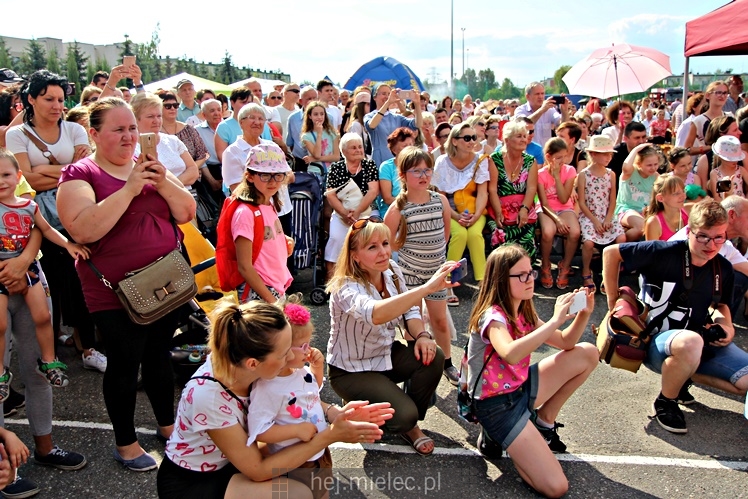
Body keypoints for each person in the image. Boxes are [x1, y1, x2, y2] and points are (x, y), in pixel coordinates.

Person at [57, 97, 196, 471]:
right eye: (118, 129)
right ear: (94, 133)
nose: (128, 136)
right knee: (124, 362)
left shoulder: (148, 167)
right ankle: (126, 442)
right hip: (114, 293)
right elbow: (84, 227)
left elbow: (185, 212)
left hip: (165, 283)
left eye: (131, 128)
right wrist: (130, 189)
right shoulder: (79, 175)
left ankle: (168, 427)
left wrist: (160, 181)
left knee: (159, 356)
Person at [157, 298, 392, 498]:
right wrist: (329, 436)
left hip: (232, 461)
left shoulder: (240, 361)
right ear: (253, 364)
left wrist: (334, 413)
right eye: (283, 353)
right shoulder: (209, 397)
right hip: (194, 482)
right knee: (296, 493)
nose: (291, 356)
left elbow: (290, 399)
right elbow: (257, 470)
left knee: (304, 475)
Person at [602, 199, 748, 434]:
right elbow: (611, 253)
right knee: (691, 341)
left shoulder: (723, 267)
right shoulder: (664, 252)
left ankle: (682, 376)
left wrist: (726, 325)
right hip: (653, 342)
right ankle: (666, 401)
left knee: (745, 383)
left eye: (719, 237)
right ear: (689, 231)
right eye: (703, 236)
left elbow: (721, 305)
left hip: (697, 342)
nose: (711, 245)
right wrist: (611, 302)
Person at [467, 244, 598, 497]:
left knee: (587, 353)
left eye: (531, 272)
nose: (530, 280)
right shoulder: (492, 316)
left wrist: (584, 314)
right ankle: (501, 437)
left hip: (519, 389)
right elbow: (510, 352)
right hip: (495, 406)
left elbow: (566, 343)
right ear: (502, 280)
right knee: (556, 487)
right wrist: (555, 320)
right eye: (522, 275)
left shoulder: (523, 309)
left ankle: (542, 424)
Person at [326, 216, 457, 456]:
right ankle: (382, 413)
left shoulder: (392, 271)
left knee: (434, 355)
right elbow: (374, 314)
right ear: (354, 255)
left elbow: (411, 310)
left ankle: (408, 423)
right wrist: (426, 288)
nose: (383, 252)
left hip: (384, 355)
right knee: (404, 415)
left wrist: (423, 336)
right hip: (351, 371)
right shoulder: (345, 286)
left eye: (385, 243)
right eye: (372, 247)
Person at [5, 70, 104, 372]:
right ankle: (49, 353)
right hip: (36, 220)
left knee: (81, 279)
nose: (56, 105)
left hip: (75, 212)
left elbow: (85, 171)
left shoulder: (75, 128)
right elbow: (25, 179)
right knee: (50, 284)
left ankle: (87, 347)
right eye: (49, 98)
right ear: (31, 99)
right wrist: (66, 170)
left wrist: (47, 171)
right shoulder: (16, 134)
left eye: (61, 99)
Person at [0, 150, 90, 394]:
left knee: (43, 317)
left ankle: (49, 361)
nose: (1, 181)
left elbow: (47, 229)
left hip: (29, 268)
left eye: (6, 175)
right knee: (0, 324)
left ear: (18, 177)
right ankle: (1, 373)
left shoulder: (29, 206)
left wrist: (68, 245)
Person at [383, 147, 457, 385]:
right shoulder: (397, 209)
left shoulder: (440, 200)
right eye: (416, 171)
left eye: (427, 170)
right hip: (409, 277)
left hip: (436, 275)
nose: (424, 175)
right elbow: (388, 243)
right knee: (413, 326)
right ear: (403, 175)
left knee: (440, 322)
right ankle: (418, 369)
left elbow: (445, 234)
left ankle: (446, 362)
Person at [246, 298, 332, 498]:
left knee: (321, 491)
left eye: (308, 344)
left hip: (319, 450)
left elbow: (312, 392)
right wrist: (296, 430)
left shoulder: (299, 371)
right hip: (294, 461)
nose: (308, 350)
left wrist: (317, 369)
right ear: (282, 348)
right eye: (302, 346)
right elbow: (259, 431)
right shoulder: (267, 387)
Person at [226, 142, 293, 303]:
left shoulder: (269, 204)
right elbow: (245, 267)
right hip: (260, 293)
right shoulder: (245, 213)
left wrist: (284, 240)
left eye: (278, 175)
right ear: (249, 176)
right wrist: (271, 300)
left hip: (275, 286)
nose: (273, 181)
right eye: (265, 175)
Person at [433, 123, 490, 300]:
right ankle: (447, 281)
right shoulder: (442, 161)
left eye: (474, 137)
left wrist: (476, 216)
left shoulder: (481, 160)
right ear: (455, 141)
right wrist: (456, 216)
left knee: (474, 235)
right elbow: (440, 195)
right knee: (459, 235)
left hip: (475, 210)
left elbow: (482, 193)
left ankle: (483, 284)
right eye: (467, 138)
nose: (472, 141)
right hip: (449, 210)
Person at [324, 133, 379, 279]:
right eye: (353, 147)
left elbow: (373, 191)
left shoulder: (369, 165)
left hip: (364, 213)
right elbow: (330, 194)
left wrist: (357, 212)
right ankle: (333, 284)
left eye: (360, 147)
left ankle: (365, 279)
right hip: (342, 213)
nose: (358, 150)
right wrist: (344, 213)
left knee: (366, 243)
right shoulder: (336, 168)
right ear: (344, 151)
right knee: (336, 240)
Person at [576, 135, 626, 292]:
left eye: (610, 154)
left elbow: (613, 200)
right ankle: (586, 271)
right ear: (593, 155)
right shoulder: (584, 174)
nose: (608, 157)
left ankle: (610, 272)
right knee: (589, 242)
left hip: (607, 214)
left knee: (621, 237)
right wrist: (595, 221)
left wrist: (608, 218)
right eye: (604, 154)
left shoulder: (611, 174)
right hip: (589, 215)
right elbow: (582, 202)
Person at [487, 120, 539, 260]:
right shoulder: (495, 159)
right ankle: (502, 274)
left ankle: (525, 273)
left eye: (524, 135)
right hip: (499, 207)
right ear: (507, 140)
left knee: (526, 240)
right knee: (501, 239)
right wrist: (498, 212)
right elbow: (492, 189)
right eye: (518, 136)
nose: (523, 139)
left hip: (523, 208)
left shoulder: (530, 161)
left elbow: (531, 188)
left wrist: (524, 209)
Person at [130, 93, 199, 188]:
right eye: (150, 116)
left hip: (184, 197)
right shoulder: (131, 148)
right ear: (136, 119)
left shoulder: (173, 141)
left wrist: (172, 187)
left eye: (159, 116)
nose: (156, 121)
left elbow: (193, 170)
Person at [537, 138, 579, 290]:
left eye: (565, 156)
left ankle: (565, 266)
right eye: (558, 157)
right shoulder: (540, 173)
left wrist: (556, 176)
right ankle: (546, 264)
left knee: (574, 232)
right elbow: (544, 203)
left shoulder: (570, 171)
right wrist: (557, 220)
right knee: (548, 232)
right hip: (547, 209)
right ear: (548, 157)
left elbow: (563, 198)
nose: (563, 160)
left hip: (564, 207)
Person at [364, 84, 422, 166]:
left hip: (397, 159)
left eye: (389, 94)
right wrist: (387, 103)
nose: (387, 96)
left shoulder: (396, 117)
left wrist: (417, 104)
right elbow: (371, 126)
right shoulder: (369, 116)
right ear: (374, 97)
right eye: (384, 94)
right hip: (380, 160)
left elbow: (418, 124)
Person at [615, 144, 660, 241]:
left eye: (655, 164)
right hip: (626, 209)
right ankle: (619, 244)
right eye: (649, 165)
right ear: (639, 164)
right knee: (642, 227)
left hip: (645, 211)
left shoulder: (656, 176)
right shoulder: (630, 172)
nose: (653, 168)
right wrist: (636, 149)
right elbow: (626, 167)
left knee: (647, 228)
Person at [156, 90, 209, 173]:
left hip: (192, 177)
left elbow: (203, 155)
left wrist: (190, 170)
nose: (173, 108)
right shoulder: (156, 133)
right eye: (168, 106)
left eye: (175, 105)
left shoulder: (188, 129)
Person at [376, 127, 417, 216]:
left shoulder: (419, 165)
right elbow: (387, 198)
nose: (409, 148)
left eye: (411, 144)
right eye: (405, 146)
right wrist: (411, 206)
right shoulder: (386, 167)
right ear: (394, 150)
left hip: (416, 210)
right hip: (394, 211)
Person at [514, 82, 569, 148]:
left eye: (542, 93)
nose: (540, 96)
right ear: (527, 96)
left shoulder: (550, 110)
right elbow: (524, 124)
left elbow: (562, 125)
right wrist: (542, 110)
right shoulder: (520, 110)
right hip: (526, 154)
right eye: (537, 94)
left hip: (545, 154)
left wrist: (564, 111)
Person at [644, 175, 689, 241]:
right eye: (676, 193)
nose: (683, 196)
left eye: (683, 191)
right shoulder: (654, 223)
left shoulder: (689, 210)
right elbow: (653, 250)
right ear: (660, 198)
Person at [215, 87, 253, 162]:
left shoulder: (261, 125)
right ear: (232, 103)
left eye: (249, 103)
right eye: (243, 102)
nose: (246, 106)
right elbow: (222, 157)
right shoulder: (224, 127)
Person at [708, 135, 748, 199]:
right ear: (721, 157)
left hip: (741, 206)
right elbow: (716, 197)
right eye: (731, 159)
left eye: (736, 158)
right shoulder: (714, 173)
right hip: (724, 206)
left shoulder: (741, 170)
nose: (735, 161)